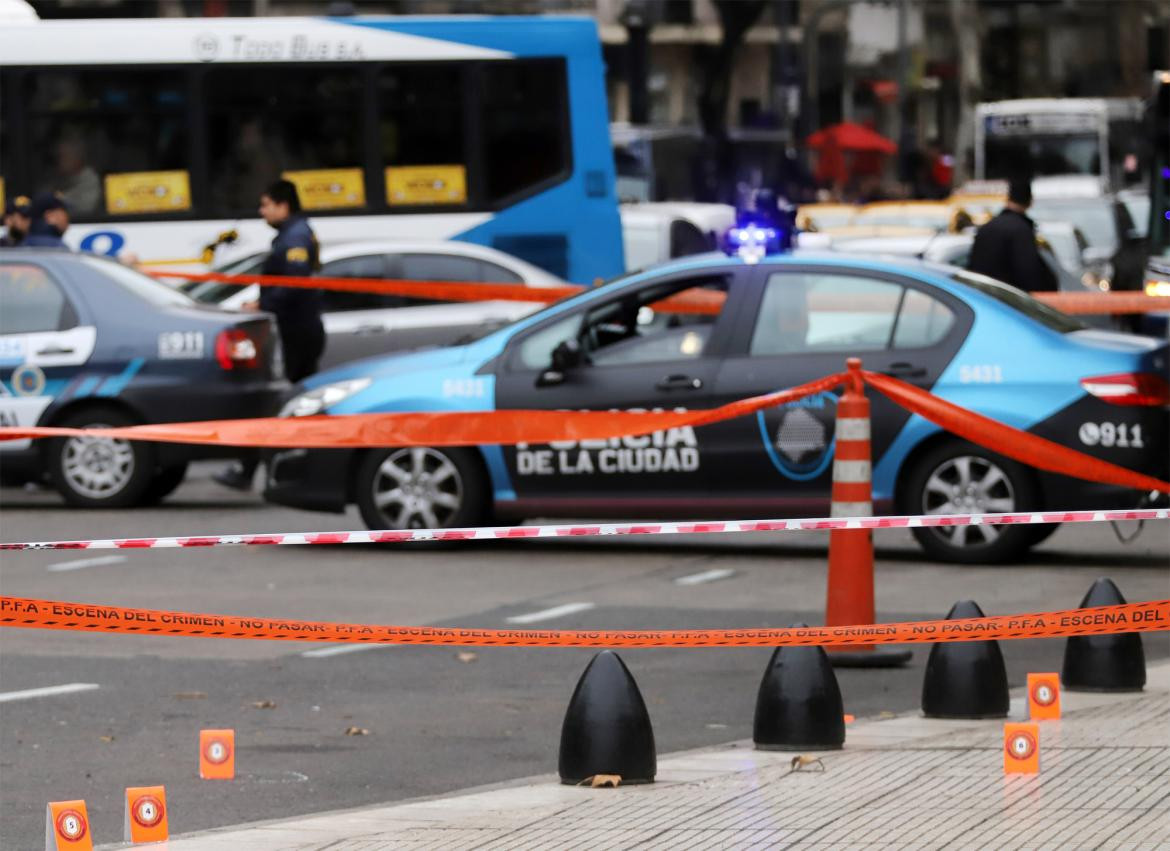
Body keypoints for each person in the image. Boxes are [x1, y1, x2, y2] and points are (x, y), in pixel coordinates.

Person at [215, 179, 325, 492]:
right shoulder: (294, 234)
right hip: (299, 329)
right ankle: (307, 466)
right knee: (300, 402)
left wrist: (262, 303)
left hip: (296, 332)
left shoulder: (295, 237)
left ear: (282, 205)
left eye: (265, 205)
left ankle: (249, 469)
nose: (262, 211)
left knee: (277, 401)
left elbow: (294, 284)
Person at [967, 177, 1057, 293]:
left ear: (1008, 199)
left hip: (983, 298)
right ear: (1030, 202)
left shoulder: (987, 228)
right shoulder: (1021, 230)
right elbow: (1029, 272)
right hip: (1009, 301)